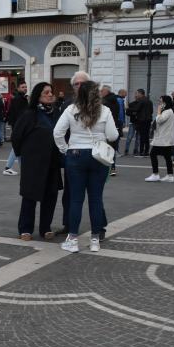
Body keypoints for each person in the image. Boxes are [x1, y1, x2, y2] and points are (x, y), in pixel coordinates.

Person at [53, 81, 118, 254]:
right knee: (96, 199)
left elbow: (57, 132)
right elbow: (113, 135)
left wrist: (65, 149)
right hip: (98, 156)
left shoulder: (71, 109)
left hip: (75, 154)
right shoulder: (105, 111)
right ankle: (95, 239)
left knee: (76, 199)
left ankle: (73, 239)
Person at [11, 82, 62, 241]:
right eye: (46, 92)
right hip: (33, 163)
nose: (50, 94)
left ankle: (45, 228)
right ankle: (25, 229)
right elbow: (16, 137)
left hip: (52, 162)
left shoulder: (56, 114)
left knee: (50, 196)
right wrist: (24, 155)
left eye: (51, 92)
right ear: (38, 95)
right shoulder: (30, 114)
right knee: (30, 195)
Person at [146, 95, 174, 182]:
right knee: (167, 157)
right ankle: (170, 175)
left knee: (153, 154)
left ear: (165, 102)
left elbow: (159, 120)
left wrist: (158, 111)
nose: (160, 103)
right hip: (165, 139)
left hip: (163, 139)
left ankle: (155, 174)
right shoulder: (168, 111)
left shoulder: (167, 112)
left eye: (161, 102)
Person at [4, 82, 28, 175]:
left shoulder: (20, 98)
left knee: (18, 147)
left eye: (25, 87)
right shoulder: (19, 99)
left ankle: (15, 168)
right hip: (19, 127)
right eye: (22, 87)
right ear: (18, 88)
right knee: (17, 147)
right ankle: (8, 167)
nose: (25, 88)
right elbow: (21, 115)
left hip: (18, 126)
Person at [100, 85, 120, 177]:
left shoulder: (105, 102)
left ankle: (105, 167)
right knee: (111, 148)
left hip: (105, 127)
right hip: (114, 125)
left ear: (106, 92)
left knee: (104, 147)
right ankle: (113, 168)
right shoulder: (115, 101)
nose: (100, 93)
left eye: (101, 91)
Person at [128, 89, 153, 157]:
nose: (136, 95)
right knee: (146, 136)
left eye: (137, 93)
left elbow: (136, 109)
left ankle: (141, 151)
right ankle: (146, 151)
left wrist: (127, 108)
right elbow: (151, 111)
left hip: (142, 120)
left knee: (142, 136)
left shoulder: (141, 101)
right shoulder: (149, 101)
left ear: (141, 94)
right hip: (148, 120)